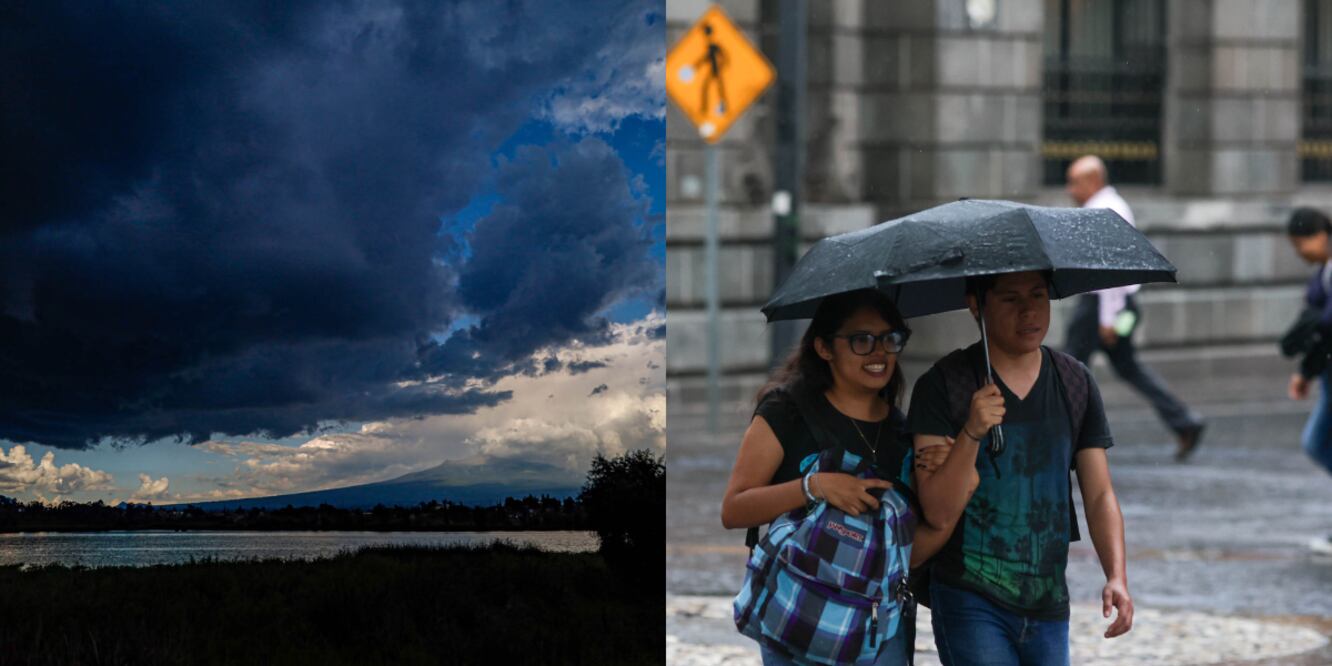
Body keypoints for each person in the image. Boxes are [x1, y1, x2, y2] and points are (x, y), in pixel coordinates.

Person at [721, 289, 979, 665]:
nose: (880, 352)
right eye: (862, 340)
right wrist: (816, 486)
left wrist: (961, 490)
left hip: (875, 634)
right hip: (797, 618)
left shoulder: (902, 433)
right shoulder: (787, 412)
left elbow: (904, 555)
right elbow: (734, 509)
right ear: (824, 348)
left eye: (890, 339)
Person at [909, 271, 1133, 666]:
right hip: (968, 596)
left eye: (1038, 296)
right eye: (1011, 299)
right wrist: (972, 432)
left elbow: (1099, 494)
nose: (1029, 311)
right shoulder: (944, 386)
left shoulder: (1074, 382)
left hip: (1048, 601)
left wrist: (1116, 574)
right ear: (976, 306)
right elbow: (937, 510)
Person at [1063, 155, 1206, 461]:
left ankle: (1066, 438)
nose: (1069, 189)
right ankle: (1184, 421)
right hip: (1114, 305)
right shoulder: (1110, 206)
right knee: (1126, 368)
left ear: (1093, 181)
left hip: (1101, 305)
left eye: (1074, 182)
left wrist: (1107, 318)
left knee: (1069, 371)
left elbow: (1112, 271)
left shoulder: (1105, 210)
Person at [1283, 207, 1332, 554]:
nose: (1301, 250)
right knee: (1317, 442)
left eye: (1304, 242)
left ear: (1323, 234)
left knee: (1317, 441)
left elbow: (1328, 328)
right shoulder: (1323, 271)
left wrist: (1305, 371)